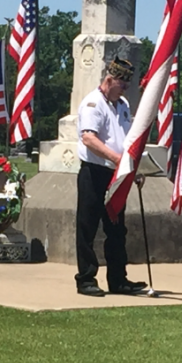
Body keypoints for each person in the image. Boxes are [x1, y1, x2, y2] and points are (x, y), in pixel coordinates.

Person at [75, 56, 147, 297]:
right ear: (109, 80)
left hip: (118, 174)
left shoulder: (123, 105)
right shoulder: (93, 104)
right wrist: (118, 160)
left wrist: (132, 168)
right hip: (95, 172)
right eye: (122, 84)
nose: (125, 89)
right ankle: (86, 279)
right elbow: (89, 138)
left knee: (117, 228)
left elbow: (126, 140)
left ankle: (118, 279)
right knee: (88, 227)